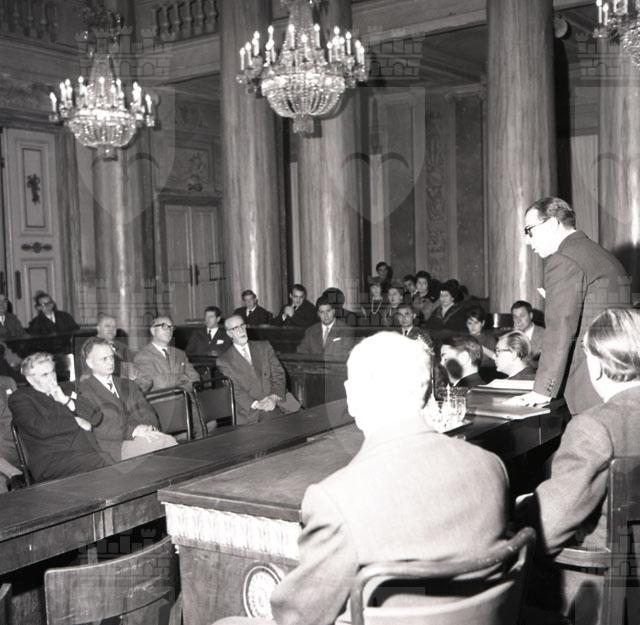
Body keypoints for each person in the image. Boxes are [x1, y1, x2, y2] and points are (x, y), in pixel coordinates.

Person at [214, 332, 509, 625]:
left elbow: (298, 616)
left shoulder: (336, 499)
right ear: (424, 389)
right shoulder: (490, 466)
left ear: (352, 395)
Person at [516, 307, 640, 621]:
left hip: (602, 585)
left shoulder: (594, 426)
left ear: (596, 365)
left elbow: (550, 525)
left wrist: (517, 513)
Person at [513, 197, 630, 413]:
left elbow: (560, 327)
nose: (528, 241)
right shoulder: (600, 254)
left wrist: (542, 390)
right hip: (618, 379)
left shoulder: (564, 259)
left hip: (589, 386)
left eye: (529, 230)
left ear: (552, 224)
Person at [8, 352, 110, 482]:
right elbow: (39, 427)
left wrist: (66, 400)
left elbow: (95, 417)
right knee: (104, 462)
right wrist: (76, 422)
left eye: (53, 372)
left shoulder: (65, 390)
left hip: (85, 451)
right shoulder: (21, 398)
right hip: (53, 460)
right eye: (45, 375)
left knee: (115, 458)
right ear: (30, 379)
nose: (52, 378)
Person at [78, 338, 177, 462]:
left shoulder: (128, 384)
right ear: (90, 363)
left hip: (142, 435)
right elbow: (100, 427)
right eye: (104, 359)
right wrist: (134, 431)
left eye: (111, 357)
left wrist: (148, 427)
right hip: (114, 445)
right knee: (166, 444)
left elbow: (145, 409)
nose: (110, 362)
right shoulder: (85, 390)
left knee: (168, 443)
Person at [216, 315, 300, 425]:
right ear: (229, 333)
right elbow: (235, 391)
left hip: (278, 402)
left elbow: (278, 373)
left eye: (242, 326)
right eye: (236, 328)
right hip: (251, 412)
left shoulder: (264, 347)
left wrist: (273, 398)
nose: (241, 330)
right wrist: (258, 404)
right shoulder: (224, 361)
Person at [133, 316, 200, 393]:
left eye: (171, 327)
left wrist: (179, 386)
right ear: (153, 331)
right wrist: (183, 378)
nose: (169, 330)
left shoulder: (180, 353)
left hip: (184, 398)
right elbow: (160, 383)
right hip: (160, 399)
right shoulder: (142, 356)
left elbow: (195, 378)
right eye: (164, 326)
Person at [83, 313, 136, 379]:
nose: (111, 329)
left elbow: (134, 357)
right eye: (107, 326)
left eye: (114, 327)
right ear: (98, 328)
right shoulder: (92, 345)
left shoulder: (118, 344)